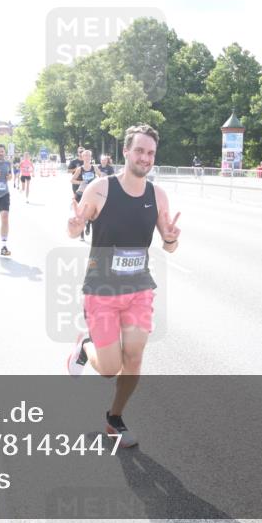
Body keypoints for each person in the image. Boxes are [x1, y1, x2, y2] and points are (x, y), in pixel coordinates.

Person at [66, 124, 181, 449]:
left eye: (151, 153)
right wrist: (75, 226)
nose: (145, 157)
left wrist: (171, 239)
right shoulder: (101, 189)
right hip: (101, 290)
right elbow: (75, 230)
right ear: (126, 152)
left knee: (134, 356)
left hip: (139, 290)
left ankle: (114, 418)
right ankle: (85, 344)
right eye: (140, 150)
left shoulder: (157, 195)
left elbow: (169, 243)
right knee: (110, 368)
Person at [71, 150, 98, 241]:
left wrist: (97, 182)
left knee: (93, 213)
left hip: (91, 194)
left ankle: (88, 224)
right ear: (82, 158)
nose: (87, 157)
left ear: (91, 157)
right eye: (85, 156)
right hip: (81, 193)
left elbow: (102, 177)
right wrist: (81, 182)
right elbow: (72, 180)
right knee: (80, 215)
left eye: (88, 155)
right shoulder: (80, 169)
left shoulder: (94, 168)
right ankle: (82, 235)